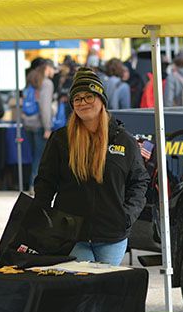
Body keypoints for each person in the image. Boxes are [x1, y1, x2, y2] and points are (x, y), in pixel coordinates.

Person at [33, 67, 149, 266]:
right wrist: (43, 219)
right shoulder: (61, 139)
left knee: (106, 284)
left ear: (101, 100)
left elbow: (139, 181)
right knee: (84, 282)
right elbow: (45, 182)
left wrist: (127, 216)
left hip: (112, 234)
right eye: (77, 99)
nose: (83, 102)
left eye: (89, 96)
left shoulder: (124, 140)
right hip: (71, 234)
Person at [22, 58, 55, 190]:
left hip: (28, 123)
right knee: (40, 157)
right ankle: (34, 185)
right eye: (53, 69)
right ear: (47, 68)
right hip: (40, 125)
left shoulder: (31, 80)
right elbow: (44, 107)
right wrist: (48, 127)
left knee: (33, 155)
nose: (54, 72)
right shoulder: (46, 83)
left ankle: (30, 183)